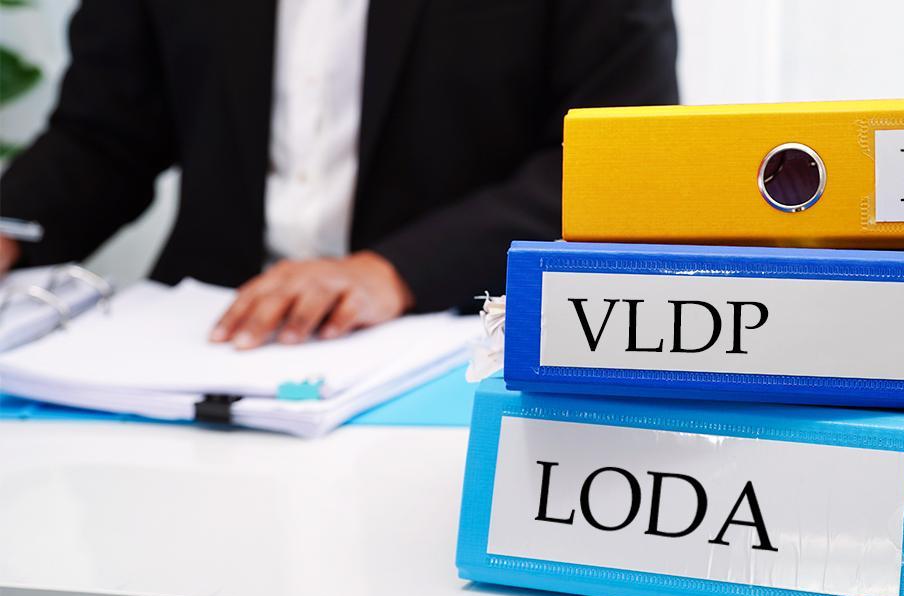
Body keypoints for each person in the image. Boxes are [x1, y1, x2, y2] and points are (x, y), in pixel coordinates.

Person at [0, 0, 677, 349]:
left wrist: (395, 271)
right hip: (206, 338)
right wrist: (9, 228)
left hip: (456, 337)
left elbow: (620, 162)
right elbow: (106, 134)